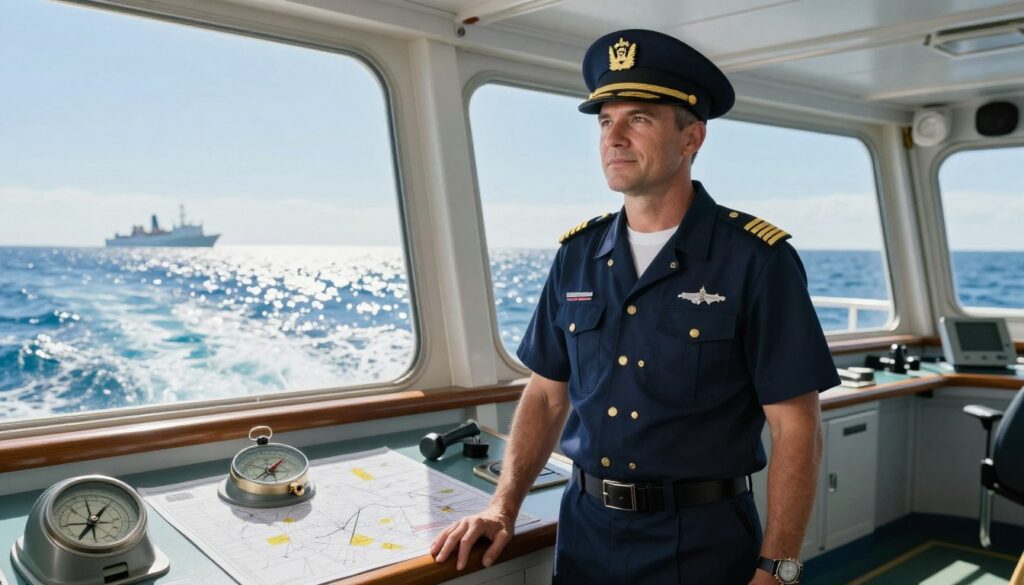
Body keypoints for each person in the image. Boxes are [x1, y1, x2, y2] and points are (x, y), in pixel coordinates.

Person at [431, 29, 840, 584]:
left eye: (639, 119)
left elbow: (797, 427)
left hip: (703, 541)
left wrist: (779, 566)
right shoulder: (576, 255)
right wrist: (502, 504)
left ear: (692, 137)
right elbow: (547, 396)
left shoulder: (756, 260)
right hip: (585, 533)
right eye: (605, 122)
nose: (614, 137)